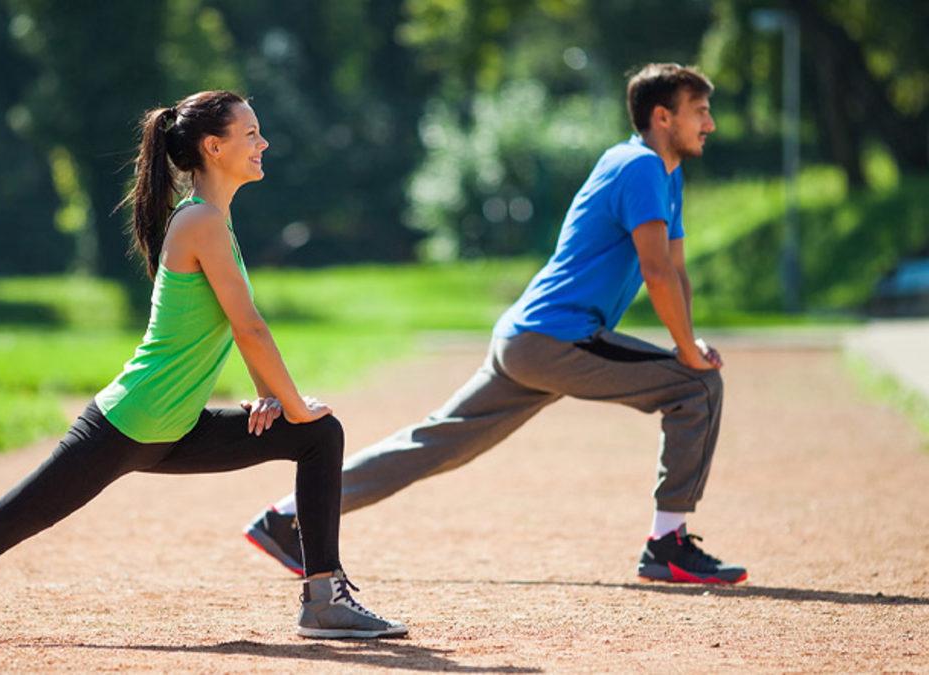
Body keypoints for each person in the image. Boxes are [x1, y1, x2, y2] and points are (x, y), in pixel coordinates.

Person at [0, 90, 407, 646]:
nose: (263, 142)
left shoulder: (216, 221)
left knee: (319, 437)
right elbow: (250, 329)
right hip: (129, 424)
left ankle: (322, 599)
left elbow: (233, 331)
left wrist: (274, 398)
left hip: (173, 428)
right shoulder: (201, 222)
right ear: (214, 147)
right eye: (250, 133)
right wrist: (289, 401)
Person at [245, 64, 746, 585]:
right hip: (558, 338)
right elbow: (657, 270)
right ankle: (667, 543)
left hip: (529, 338)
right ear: (663, 117)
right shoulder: (639, 166)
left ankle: (286, 519)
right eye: (700, 112)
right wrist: (688, 354)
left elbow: (677, 269)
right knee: (698, 387)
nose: (708, 124)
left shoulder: (664, 174)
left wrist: (688, 341)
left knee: (435, 443)